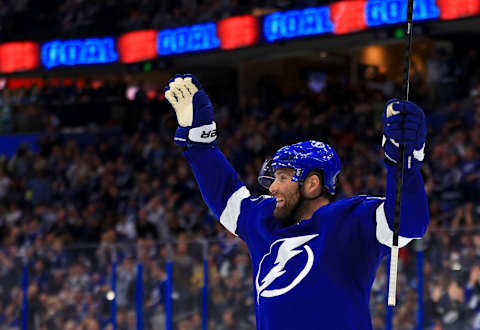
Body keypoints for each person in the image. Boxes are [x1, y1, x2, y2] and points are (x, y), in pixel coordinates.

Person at [164, 74, 429, 329]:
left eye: (282, 178)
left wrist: (403, 166)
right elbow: (226, 197)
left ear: (312, 184)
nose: (273, 188)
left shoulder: (351, 221)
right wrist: (200, 143)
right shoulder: (266, 221)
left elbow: (408, 224)